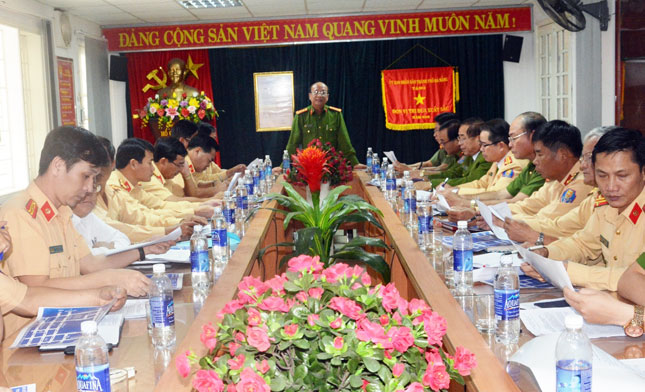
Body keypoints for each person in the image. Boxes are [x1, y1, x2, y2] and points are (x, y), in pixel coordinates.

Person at [0, 126, 149, 335]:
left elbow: (90, 263)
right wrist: (107, 283)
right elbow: (35, 291)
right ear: (58, 166)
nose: (90, 188)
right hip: (28, 342)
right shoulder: (21, 214)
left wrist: (143, 252)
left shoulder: (61, 211)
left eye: (94, 179)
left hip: (65, 325)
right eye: (86, 176)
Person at [525, 128, 645, 291]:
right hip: (611, 302)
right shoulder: (606, 206)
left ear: (643, 173)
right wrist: (547, 254)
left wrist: (571, 272)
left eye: (622, 176)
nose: (610, 187)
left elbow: (635, 278)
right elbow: (583, 244)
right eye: (602, 175)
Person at [0, 225, 126, 341]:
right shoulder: (21, 213)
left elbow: (27, 298)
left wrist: (99, 297)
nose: (4, 243)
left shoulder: (65, 214)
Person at [502, 126, 613, 244]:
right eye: (583, 157)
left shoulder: (582, 184)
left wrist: (507, 221)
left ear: (562, 154)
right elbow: (533, 209)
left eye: (540, 154)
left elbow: (556, 227)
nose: (582, 165)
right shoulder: (557, 182)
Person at [93, 139, 198, 243]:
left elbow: (143, 215)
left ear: (112, 164)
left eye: (102, 163)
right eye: (150, 163)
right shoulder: (110, 186)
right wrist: (168, 230)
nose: (153, 169)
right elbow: (111, 228)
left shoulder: (111, 190)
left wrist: (180, 222)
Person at [108, 138, 213, 218]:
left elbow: (161, 205)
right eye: (149, 163)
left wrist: (199, 207)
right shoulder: (114, 187)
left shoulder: (135, 187)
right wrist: (195, 211)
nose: (153, 169)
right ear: (134, 164)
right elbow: (143, 217)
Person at [441, 118, 528, 199]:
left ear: (500, 146)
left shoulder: (514, 164)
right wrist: (454, 188)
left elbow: (495, 193)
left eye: (484, 145)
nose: (481, 149)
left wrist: (456, 192)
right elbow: (481, 183)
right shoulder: (497, 161)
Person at [286, 82, 359, 166]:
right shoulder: (301, 116)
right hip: (309, 166)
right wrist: (283, 166)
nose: (319, 95)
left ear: (327, 97)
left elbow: (344, 142)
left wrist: (355, 163)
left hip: (332, 165)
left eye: (323, 93)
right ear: (310, 96)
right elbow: (292, 144)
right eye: (316, 92)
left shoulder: (336, 115)